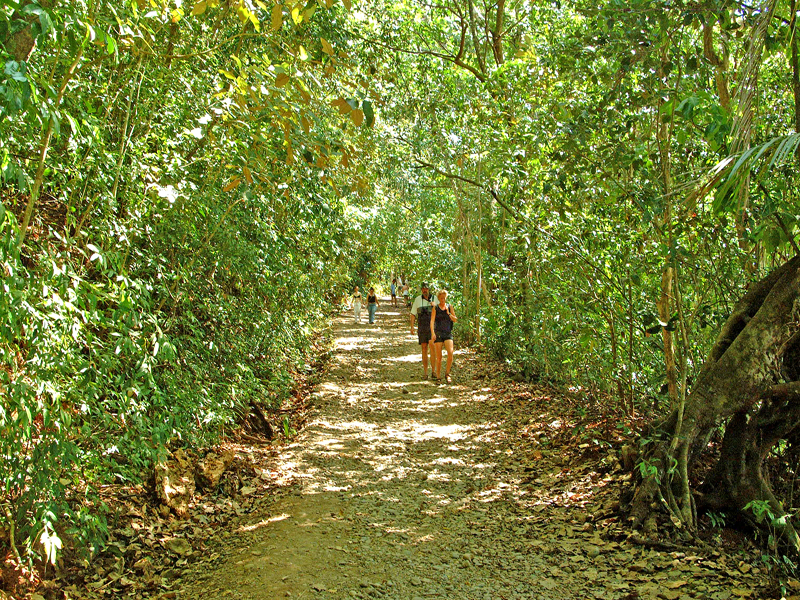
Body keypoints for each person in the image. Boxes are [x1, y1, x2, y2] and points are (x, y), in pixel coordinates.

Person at [430, 289, 457, 383]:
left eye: (444, 298)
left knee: (450, 353)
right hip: (438, 333)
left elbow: (455, 319)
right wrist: (433, 333)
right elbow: (432, 321)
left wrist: (448, 313)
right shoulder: (435, 308)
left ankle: (447, 373)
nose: (442, 299)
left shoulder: (449, 307)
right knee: (439, 356)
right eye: (441, 298)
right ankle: (438, 376)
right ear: (438, 298)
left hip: (448, 332)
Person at [410, 283, 435, 378]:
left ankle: (434, 371)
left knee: (432, 347)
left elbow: (442, 309)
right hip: (422, 327)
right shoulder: (417, 300)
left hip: (432, 328)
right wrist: (412, 327)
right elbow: (413, 314)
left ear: (429, 289)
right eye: (423, 289)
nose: (425, 290)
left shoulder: (434, 299)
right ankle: (425, 372)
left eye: (426, 289)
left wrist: (434, 306)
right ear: (421, 290)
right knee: (424, 348)